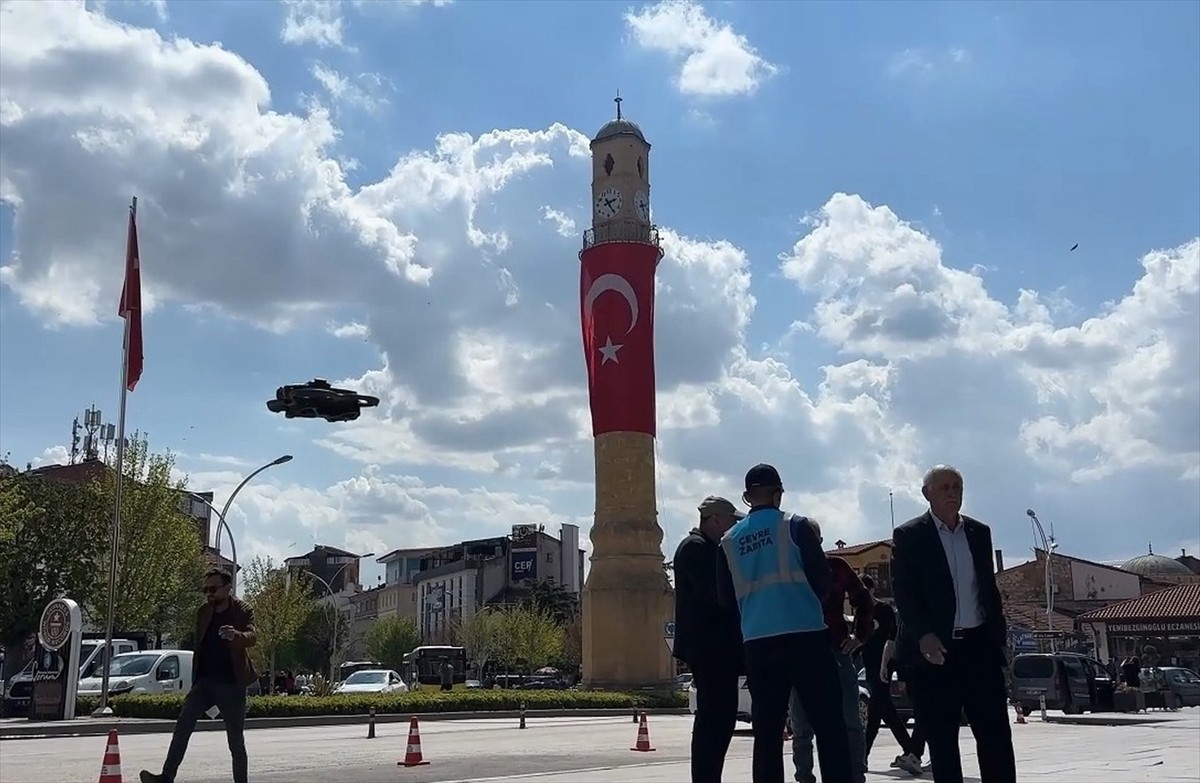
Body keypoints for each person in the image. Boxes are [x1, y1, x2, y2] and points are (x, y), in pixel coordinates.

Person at [716, 463, 852, 783]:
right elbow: (822, 581)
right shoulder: (796, 526)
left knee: (767, 733)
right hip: (807, 636)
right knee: (829, 726)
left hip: (759, 642)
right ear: (778, 494)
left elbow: (725, 599)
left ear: (747, 497)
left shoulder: (729, 541)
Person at [891, 465, 1016, 783]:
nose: (952, 493)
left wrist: (999, 640)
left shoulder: (978, 532)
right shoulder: (910, 535)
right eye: (944, 487)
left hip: (979, 647)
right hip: (937, 652)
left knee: (996, 737)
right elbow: (904, 593)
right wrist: (924, 634)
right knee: (943, 741)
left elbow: (988, 589)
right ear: (927, 493)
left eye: (957, 486)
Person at [140, 569, 257, 783]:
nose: (209, 594)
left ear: (227, 588)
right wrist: (195, 680)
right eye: (206, 590)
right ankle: (166, 777)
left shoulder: (242, 610)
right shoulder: (204, 612)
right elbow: (199, 646)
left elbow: (252, 636)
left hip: (231, 684)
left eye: (213, 589)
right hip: (204, 683)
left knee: (235, 741)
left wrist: (236, 635)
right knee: (183, 726)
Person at [789, 519, 874, 783]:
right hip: (801, 653)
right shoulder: (789, 570)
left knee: (850, 720)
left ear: (820, 541)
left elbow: (864, 600)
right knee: (801, 725)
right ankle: (804, 777)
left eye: (812, 538)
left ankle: (856, 775)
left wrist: (859, 636)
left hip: (836, 649)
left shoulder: (836, 566)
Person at [673, 495, 746, 783]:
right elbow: (715, 597)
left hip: (715, 649)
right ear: (715, 520)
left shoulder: (703, 548)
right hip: (711, 650)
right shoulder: (697, 549)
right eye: (731, 521)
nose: (734, 527)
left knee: (720, 720)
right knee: (714, 721)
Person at [862, 575, 923, 776]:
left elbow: (891, 638)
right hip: (869, 664)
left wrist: (885, 664)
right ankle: (864, 757)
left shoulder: (884, 610)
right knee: (875, 712)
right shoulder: (862, 611)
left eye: (864, 589)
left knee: (884, 709)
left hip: (884, 663)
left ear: (871, 589)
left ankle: (911, 751)